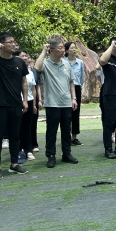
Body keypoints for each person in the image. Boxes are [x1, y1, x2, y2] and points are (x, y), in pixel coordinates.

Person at [0, 32, 29, 179]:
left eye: (14, 41)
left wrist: (24, 100)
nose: (13, 44)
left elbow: (24, 82)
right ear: (2, 45)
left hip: (16, 104)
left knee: (15, 136)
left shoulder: (19, 62)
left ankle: (14, 164)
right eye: (10, 42)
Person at [34, 38, 79, 168]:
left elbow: (71, 82)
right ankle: (51, 156)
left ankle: (67, 154)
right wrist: (44, 51)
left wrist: (74, 98)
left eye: (63, 47)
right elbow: (37, 68)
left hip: (66, 103)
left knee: (66, 131)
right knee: (51, 131)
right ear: (51, 50)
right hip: (52, 104)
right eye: (60, 48)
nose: (63, 50)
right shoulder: (46, 64)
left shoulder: (66, 64)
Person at [15, 50, 37, 161]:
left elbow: (33, 89)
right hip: (17, 102)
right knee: (18, 127)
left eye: (26, 56)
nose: (25, 58)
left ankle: (28, 150)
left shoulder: (30, 72)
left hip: (29, 101)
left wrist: (34, 104)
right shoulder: (14, 70)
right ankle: (18, 150)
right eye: (22, 56)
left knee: (28, 127)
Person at [63, 41, 85, 146]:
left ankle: (74, 137)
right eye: (71, 48)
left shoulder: (80, 62)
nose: (74, 49)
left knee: (76, 113)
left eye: (74, 47)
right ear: (67, 50)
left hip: (76, 88)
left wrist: (79, 87)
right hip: (65, 89)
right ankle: (66, 137)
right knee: (66, 113)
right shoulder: (63, 62)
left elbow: (82, 77)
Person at [29, 58, 42, 152]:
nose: (26, 58)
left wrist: (39, 100)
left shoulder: (33, 71)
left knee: (33, 122)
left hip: (33, 99)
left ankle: (34, 144)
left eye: (27, 56)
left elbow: (37, 86)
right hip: (21, 99)